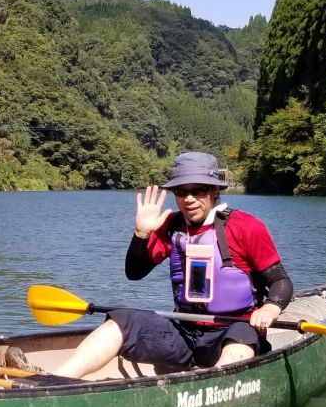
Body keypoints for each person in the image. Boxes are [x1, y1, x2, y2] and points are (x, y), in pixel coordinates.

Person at [58, 151, 293, 379]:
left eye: (198, 190)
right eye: (181, 191)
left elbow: (280, 281)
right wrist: (141, 234)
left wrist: (271, 307)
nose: (188, 199)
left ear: (214, 190)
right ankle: (54, 381)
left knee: (237, 349)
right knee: (119, 322)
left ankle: (211, 391)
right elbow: (135, 272)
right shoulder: (170, 226)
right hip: (185, 330)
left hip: (236, 329)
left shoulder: (246, 226)